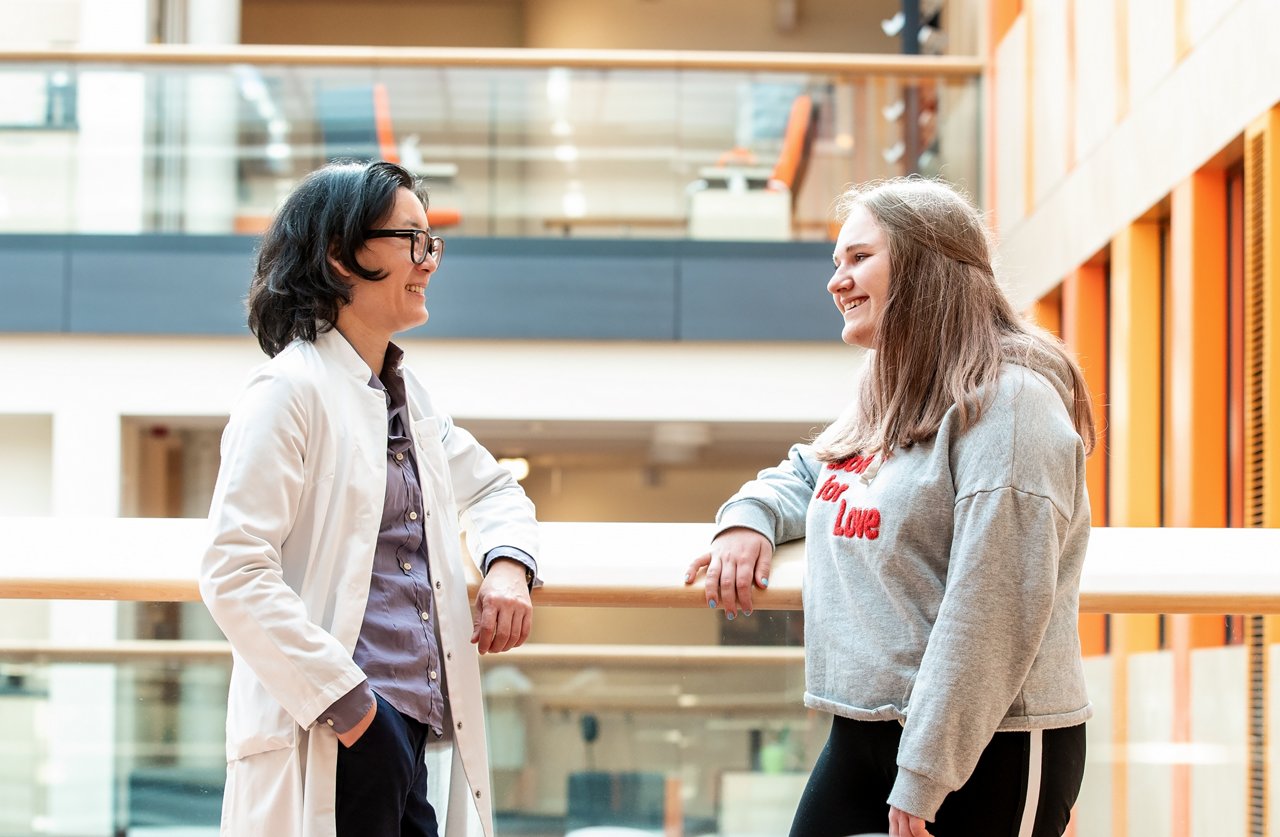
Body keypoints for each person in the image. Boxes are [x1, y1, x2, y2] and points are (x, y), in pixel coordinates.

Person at [685, 178, 1093, 837]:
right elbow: (817, 468)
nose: (835, 281)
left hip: (991, 744)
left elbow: (991, 607)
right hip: (868, 728)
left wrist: (926, 773)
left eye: (858, 258)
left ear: (926, 262)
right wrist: (749, 517)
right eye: (835, 262)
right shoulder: (894, 381)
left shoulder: (1014, 405)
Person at [199, 160, 540, 837]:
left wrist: (508, 564)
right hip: (342, 726)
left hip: (405, 732)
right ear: (339, 255)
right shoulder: (288, 391)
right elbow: (233, 569)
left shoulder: (407, 399)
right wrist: (353, 706)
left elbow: (497, 486)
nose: (430, 260)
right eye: (413, 239)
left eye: (432, 241)